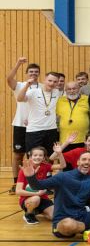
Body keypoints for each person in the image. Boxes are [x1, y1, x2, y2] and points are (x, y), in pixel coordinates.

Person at [21, 152, 90, 243]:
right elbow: (37, 186)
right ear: (78, 162)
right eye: (84, 159)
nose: (87, 162)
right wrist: (30, 177)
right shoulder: (62, 177)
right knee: (68, 224)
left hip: (84, 217)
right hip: (63, 221)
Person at [7, 58, 40, 194]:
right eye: (31, 71)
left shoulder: (42, 87)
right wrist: (18, 64)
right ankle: (16, 183)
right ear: (26, 73)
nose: (33, 73)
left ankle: (33, 182)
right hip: (20, 124)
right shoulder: (20, 85)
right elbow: (9, 79)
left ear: (39, 74)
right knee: (18, 155)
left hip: (36, 125)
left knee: (34, 155)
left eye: (36, 72)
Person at [16, 72, 62, 154]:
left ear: (58, 83)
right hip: (34, 130)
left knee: (50, 157)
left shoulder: (57, 92)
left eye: (55, 82)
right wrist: (26, 86)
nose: (52, 83)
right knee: (33, 157)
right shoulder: (33, 92)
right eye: (50, 80)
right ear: (44, 80)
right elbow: (19, 99)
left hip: (51, 130)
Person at [16, 147, 54, 224]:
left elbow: (62, 166)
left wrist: (59, 153)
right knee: (36, 198)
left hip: (43, 198)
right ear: (30, 157)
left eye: (40, 155)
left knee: (53, 217)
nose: (37, 157)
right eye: (35, 155)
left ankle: (37, 211)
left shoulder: (45, 166)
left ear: (43, 158)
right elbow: (18, 191)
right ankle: (29, 214)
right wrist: (36, 193)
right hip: (28, 199)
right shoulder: (24, 170)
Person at [55, 81, 90, 147]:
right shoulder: (59, 101)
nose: (72, 91)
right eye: (69, 89)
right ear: (65, 90)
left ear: (79, 89)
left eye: (74, 88)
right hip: (65, 139)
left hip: (83, 138)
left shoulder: (87, 99)